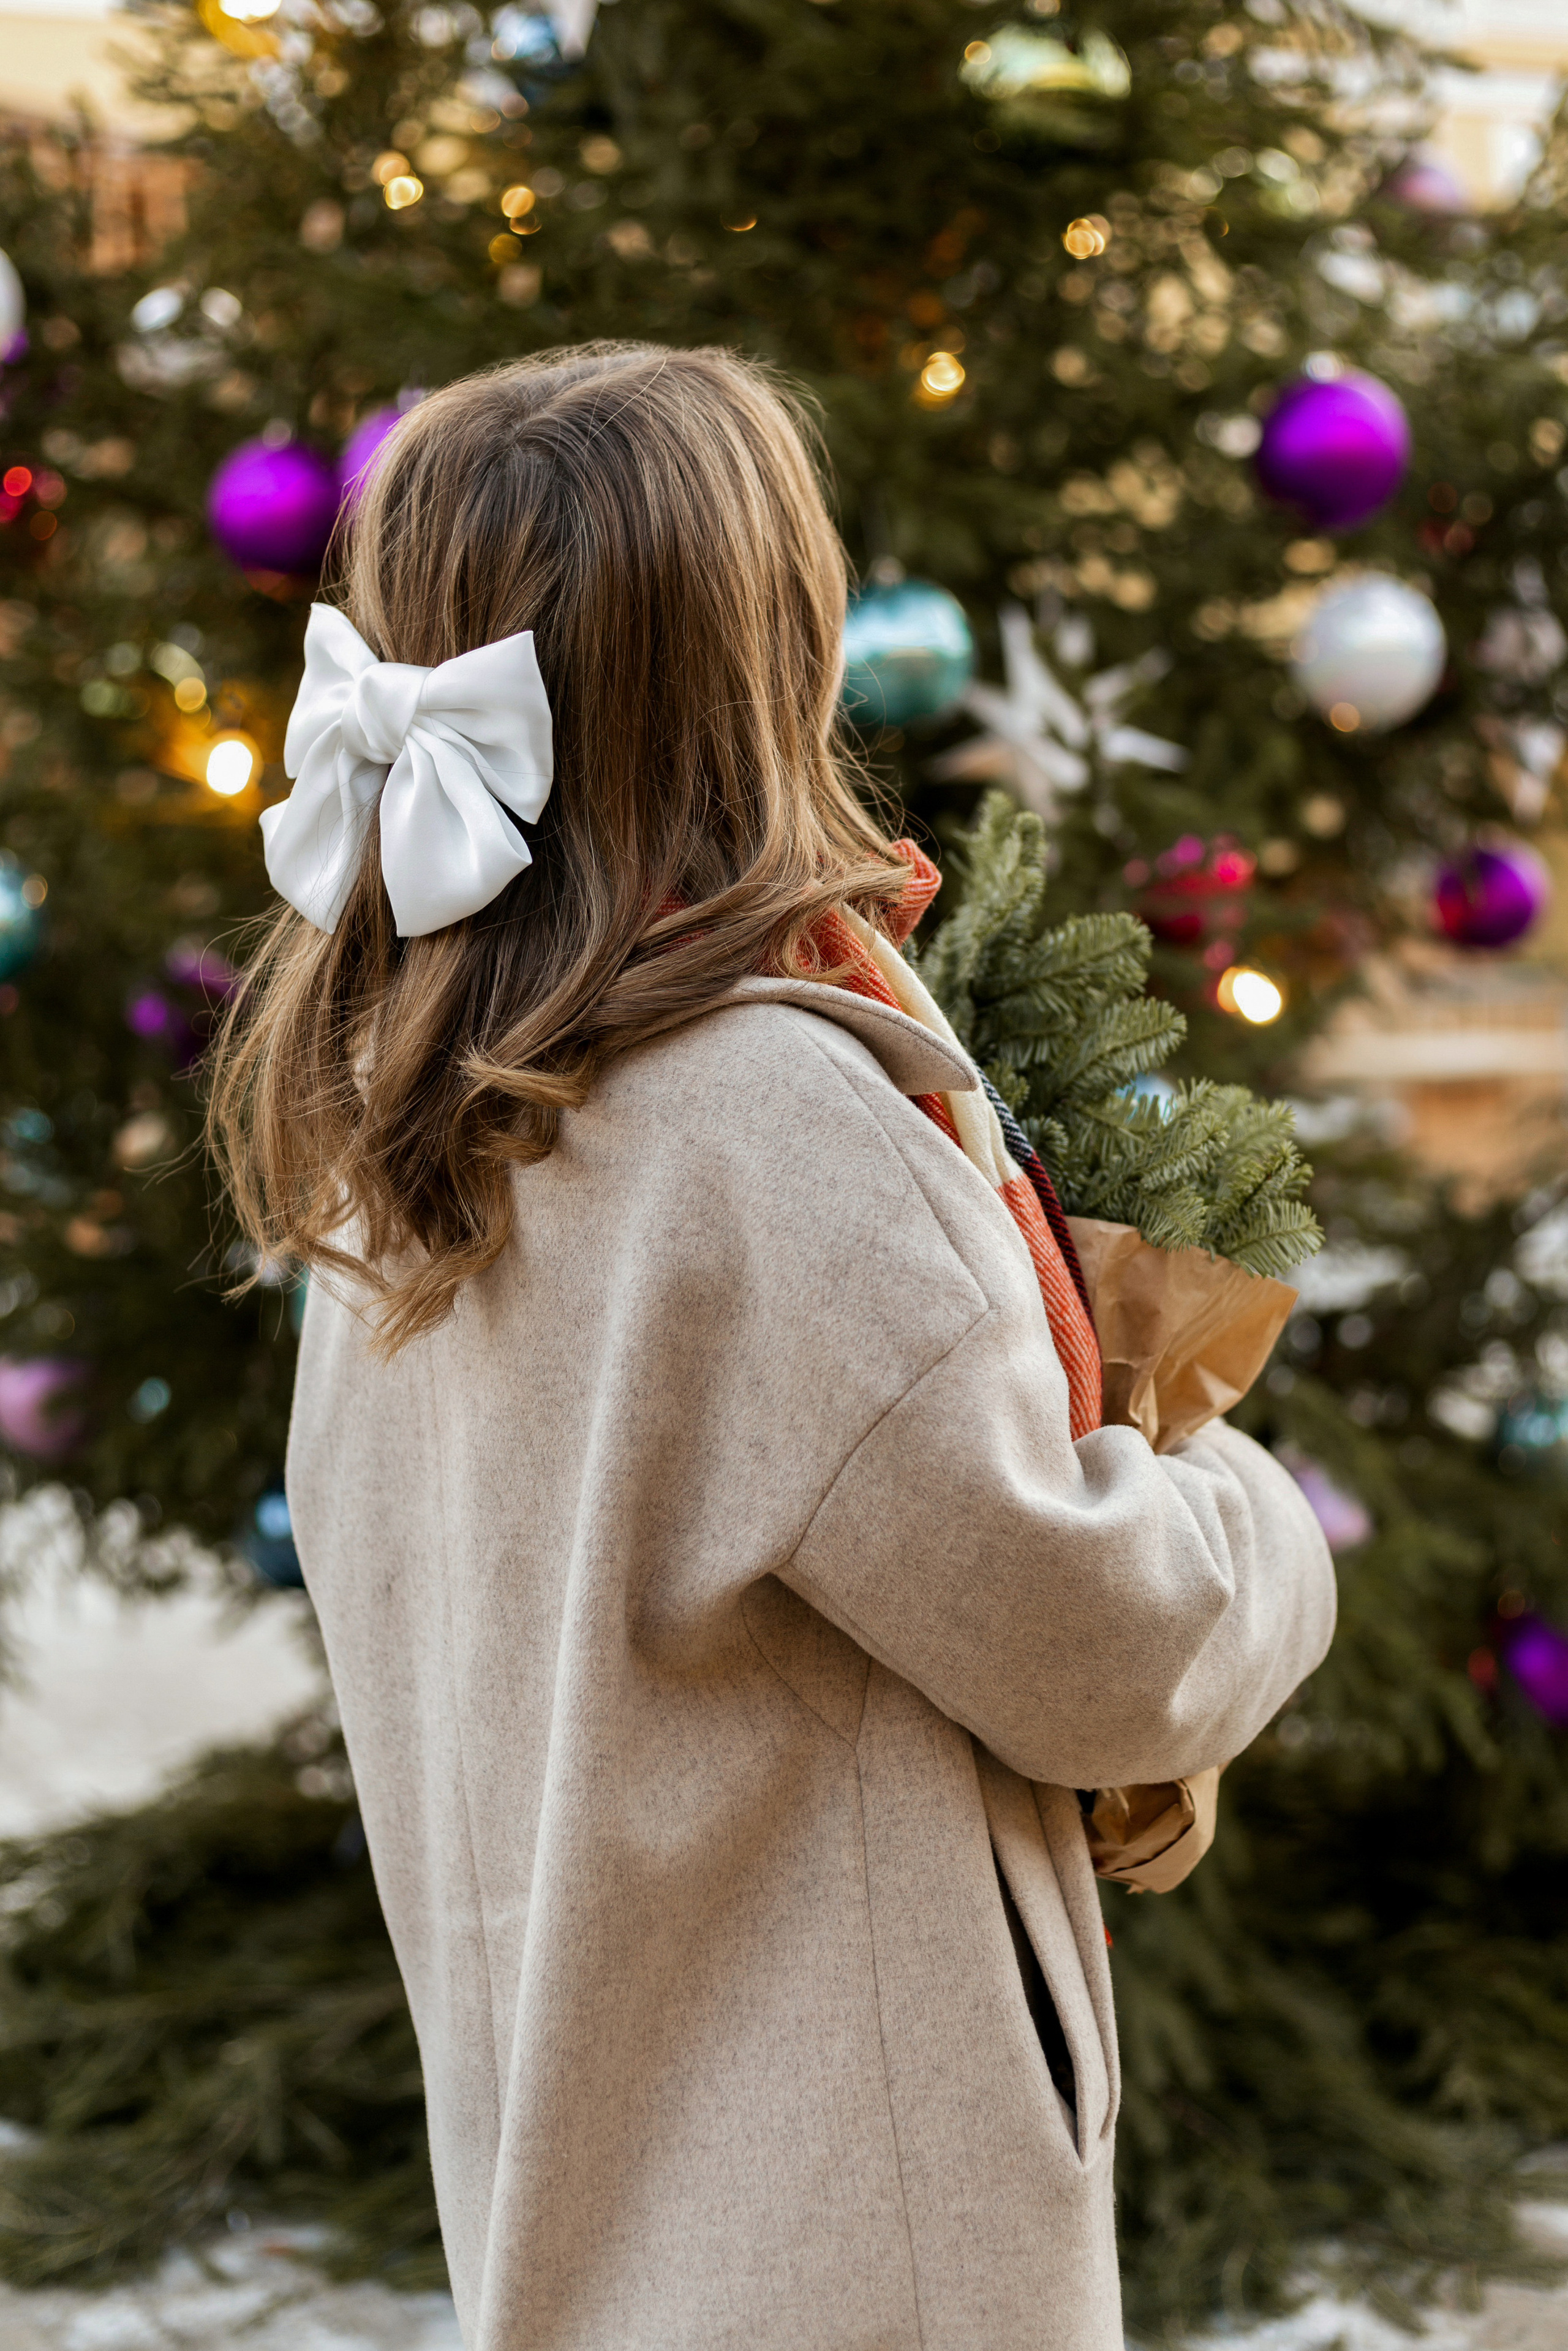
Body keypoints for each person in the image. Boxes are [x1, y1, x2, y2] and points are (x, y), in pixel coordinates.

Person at [209, 342, 1335, 2351]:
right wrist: (1255, 1514)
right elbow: (1106, 1644)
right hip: (852, 2240)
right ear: (769, 663)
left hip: (569, 2185)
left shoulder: (389, 1123)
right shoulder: (764, 1127)